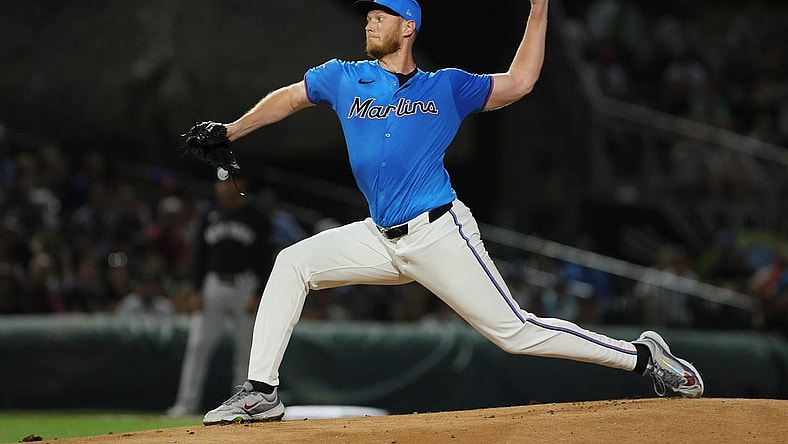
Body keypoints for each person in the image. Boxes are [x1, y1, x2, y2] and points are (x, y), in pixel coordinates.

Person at [200, 0, 704, 425]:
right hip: (380, 237)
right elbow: (289, 99)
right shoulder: (344, 78)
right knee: (292, 262)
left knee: (518, 334)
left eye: (381, 14)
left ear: (408, 26)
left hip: (439, 234)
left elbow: (522, 80)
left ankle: (643, 358)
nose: (369, 21)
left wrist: (539, 8)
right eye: (368, 15)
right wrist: (230, 130)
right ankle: (261, 392)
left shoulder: (446, 87)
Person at [167, 176, 275, 417]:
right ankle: (186, 403)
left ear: (242, 184)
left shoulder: (257, 217)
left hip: (245, 285)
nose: (223, 187)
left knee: (246, 351)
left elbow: (265, 258)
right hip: (213, 284)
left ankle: (245, 407)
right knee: (198, 345)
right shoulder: (209, 213)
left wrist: (258, 293)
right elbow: (198, 254)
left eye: (229, 182)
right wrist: (196, 289)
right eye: (220, 182)